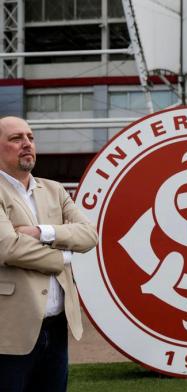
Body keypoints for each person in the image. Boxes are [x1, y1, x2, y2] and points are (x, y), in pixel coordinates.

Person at [0, 116, 98, 391]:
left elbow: (90, 235)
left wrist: (42, 233)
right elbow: (8, 247)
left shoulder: (55, 190)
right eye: (16, 138)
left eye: (30, 137)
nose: (27, 144)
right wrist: (64, 256)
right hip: (9, 330)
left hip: (56, 329)